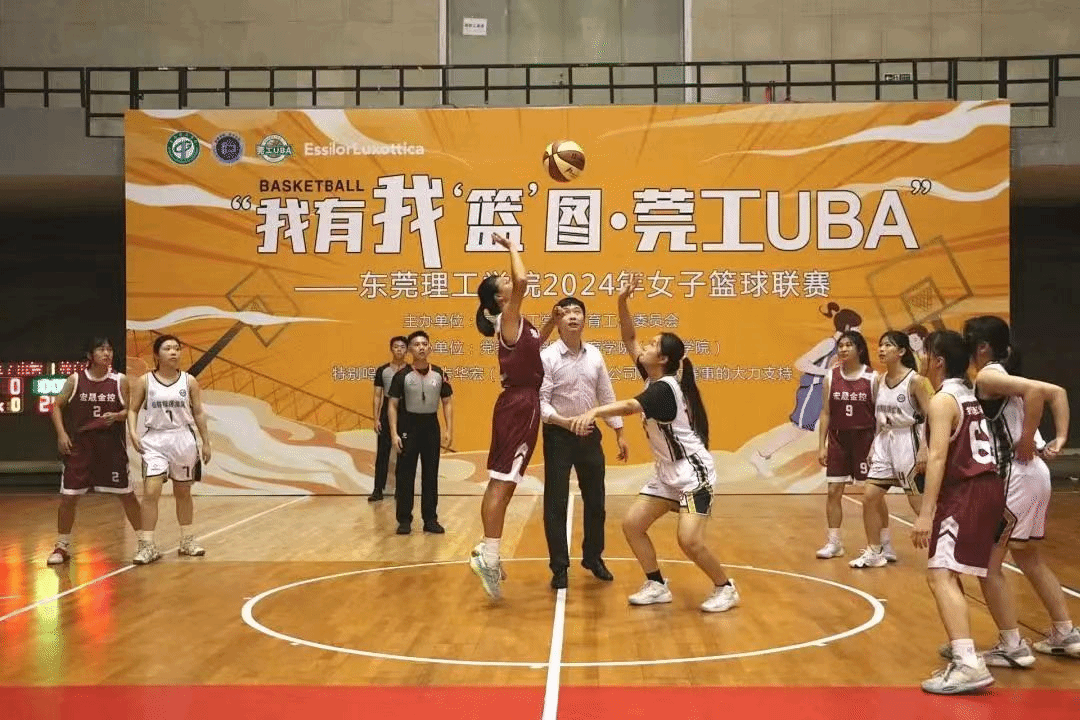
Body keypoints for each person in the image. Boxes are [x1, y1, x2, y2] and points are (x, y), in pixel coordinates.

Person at [566, 274, 738, 613]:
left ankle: (725, 587)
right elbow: (629, 338)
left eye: (653, 345)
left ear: (663, 359)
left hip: (693, 474)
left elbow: (630, 406)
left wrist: (595, 411)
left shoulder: (664, 389)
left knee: (689, 541)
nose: (644, 346)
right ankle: (657, 584)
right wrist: (621, 301)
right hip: (666, 473)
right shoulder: (653, 377)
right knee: (633, 525)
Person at [957, 315, 1078, 661]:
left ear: (982, 346)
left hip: (1015, 474)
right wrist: (1060, 438)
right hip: (1035, 475)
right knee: (1028, 558)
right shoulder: (1003, 376)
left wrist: (1025, 439)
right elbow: (1058, 392)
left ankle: (1011, 646)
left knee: (987, 564)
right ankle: (1065, 633)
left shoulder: (988, 375)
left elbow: (1037, 393)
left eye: (969, 341)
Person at [912, 330, 1005, 694]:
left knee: (939, 574)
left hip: (966, 491)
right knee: (950, 572)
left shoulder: (943, 400)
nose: (920, 358)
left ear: (938, 360)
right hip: (987, 486)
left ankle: (967, 663)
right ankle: (967, 649)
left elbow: (938, 458)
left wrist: (925, 514)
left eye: (925, 352)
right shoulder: (968, 394)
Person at [468, 232, 557, 600]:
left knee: (506, 482)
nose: (510, 280)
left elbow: (534, 349)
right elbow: (522, 280)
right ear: (499, 298)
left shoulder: (520, 323)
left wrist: (549, 323)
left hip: (522, 404)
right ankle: (488, 555)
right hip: (519, 405)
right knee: (501, 483)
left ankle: (488, 550)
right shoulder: (509, 315)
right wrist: (512, 247)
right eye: (502, 281)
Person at [539, 296, 629, 589]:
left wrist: (619, 431)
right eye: (566, 313)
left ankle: (593, 557)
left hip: (590, 433)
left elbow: (606, 395)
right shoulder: (548, 357)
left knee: (596, 501)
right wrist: (565, 422)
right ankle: (559, 567)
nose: (573, 316)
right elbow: (541, 402)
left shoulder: (595, 356)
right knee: (556, 502)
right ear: (558, 322)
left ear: (584, 320)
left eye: (578, 312)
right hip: (558, 436)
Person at [46, 337, 142, 565]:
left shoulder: (120, 380)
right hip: (81, 447)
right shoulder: (75, 379)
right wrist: (61, 434)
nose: (107, 353)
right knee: (68, 498)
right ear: (90, 355)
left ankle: (145, 541)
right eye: (101, 349)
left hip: (110, 447)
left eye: (109, 349)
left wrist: (117, 416)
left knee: (127, 495)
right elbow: (56, 405)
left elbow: (129, 410)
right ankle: (62, 545)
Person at [750, 303, 863, 477]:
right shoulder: (829, 344)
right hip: (814, 390)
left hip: (829, 392)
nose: (860, 332)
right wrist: (826, 373)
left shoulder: (844, 347)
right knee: (799, 429)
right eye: (857, 329)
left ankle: (843, 464)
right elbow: (800, 363)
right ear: (847, 328)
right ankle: (760, 455)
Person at [127, 334, 212, 565]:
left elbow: (198, 412)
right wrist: (133, 432)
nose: (173, 352)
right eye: (167, 348)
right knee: (151, 492)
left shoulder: (189, 381)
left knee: (183, 492)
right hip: (155, 439)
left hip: (182, 438)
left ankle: (187, 540)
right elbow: (133, 409)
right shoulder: (145, 381)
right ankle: (147, 545)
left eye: (176, 348)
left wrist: (206, 441)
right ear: (156, 355)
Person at [850, 331, 932, 568]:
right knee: (869, 497)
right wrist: (873, 445)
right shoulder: (878, 381)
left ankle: (945, 552)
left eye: (888, 345)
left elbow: (932, 417)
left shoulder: (916, 381)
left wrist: (925, 448)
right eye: (881, 345)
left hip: (910, 440)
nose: (882, 349)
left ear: (902, 351)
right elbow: (878, 418)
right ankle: (875, 551)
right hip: (885, 441)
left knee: (919, 505)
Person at [815, 330, 877, 560]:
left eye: (848, 345)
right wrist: (822, 445)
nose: (843, 349)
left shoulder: (872, 378)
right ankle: (834, 543)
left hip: (865, 439)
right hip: (839, 439)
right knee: (833, 491)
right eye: (840, 345)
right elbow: (826, 412)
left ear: (859, 349)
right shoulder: (831, 377)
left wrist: (876, 446)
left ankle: (883, 542)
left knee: (872, 494)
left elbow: (879, 416)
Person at [387, 330, 453, 535]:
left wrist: (449, 429)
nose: (421, 347)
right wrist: (394, 434)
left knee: (431, 474)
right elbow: (392, 405)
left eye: (424, 344)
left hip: (431, 426)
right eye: (416, 344)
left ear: (430, 347)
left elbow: (447, 402)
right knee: (405, 475)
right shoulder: (402, 376)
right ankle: (404, 520)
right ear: (409, 350)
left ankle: (430, 519)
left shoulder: (439, 374)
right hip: (409, 426)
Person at [369, 335, 409, 502]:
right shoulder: (382, 370)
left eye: (402, 347)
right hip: (386, 412)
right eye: (396, 347)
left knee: (403, 454)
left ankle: (401, 490)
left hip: (406, 411)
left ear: (407, 350)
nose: (399, 350)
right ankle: (378, 490)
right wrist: (376, 418)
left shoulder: (412, 370)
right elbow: (377, 396)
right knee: (383, 453)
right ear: (391, 349)